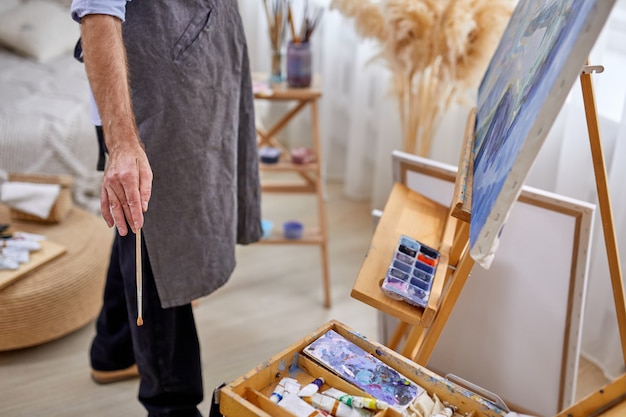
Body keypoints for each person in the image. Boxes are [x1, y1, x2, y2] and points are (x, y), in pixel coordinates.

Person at [69, 1, 263, 416]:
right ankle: (170, 403)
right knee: (161, 235)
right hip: (149, 97)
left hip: (196, 72)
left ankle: (114, 346)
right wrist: (122, 144)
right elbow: (98, 12)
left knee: (137, 221)